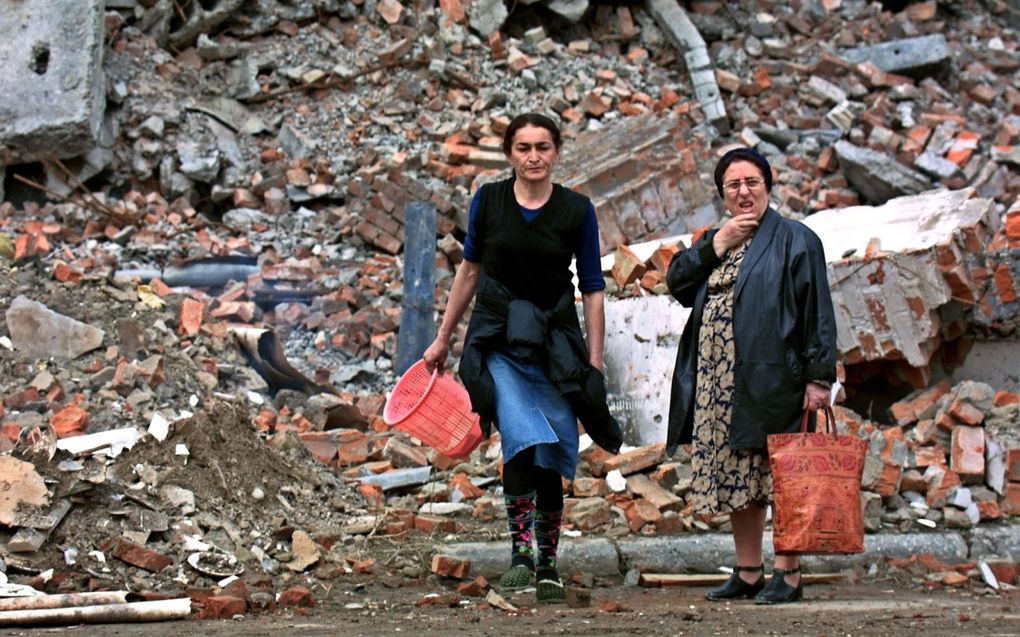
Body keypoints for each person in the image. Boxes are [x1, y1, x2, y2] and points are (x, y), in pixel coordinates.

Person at [423, 113, 621, 604]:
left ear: (557, 152)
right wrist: (443, 337)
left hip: (555, 342)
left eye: (544, 147)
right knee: (519, 437)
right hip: (500, 341)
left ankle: (548, 562)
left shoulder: (577, 210)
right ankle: (520, 555)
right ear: (510, 153)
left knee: (551, 445)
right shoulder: (489, 201)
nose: (534, 157)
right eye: (524, 147)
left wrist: (593, 361)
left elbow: (593, 289)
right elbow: (470, 270)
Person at [665, 147, 836, 605]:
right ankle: (748, 571)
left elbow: (817, 312)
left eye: (751, 183)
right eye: (733, 185)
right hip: (719, 385)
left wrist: (819, 379)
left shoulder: (797, 239)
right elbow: (677, 283)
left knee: (782, 473)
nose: (743, 192)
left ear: (768, 186)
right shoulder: (714, 238)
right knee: (739, 477)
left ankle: (790, 573)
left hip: (775, 378)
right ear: (723, 195)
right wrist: (717, 244)